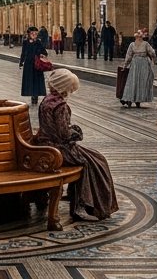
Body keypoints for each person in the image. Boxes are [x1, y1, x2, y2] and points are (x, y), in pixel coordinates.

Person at [36, 69, 117, 220]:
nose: (71, 92)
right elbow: (63, 134)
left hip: (46, 146)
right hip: (58, 150)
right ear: (64, 87)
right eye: (71, 88)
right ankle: (81, 204)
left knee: (94, 157)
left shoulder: (47, 100)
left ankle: (78, 197)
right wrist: (76, 132)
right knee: (92, 161)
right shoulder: (60, 106)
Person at [121, 27, 156, 108]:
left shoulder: (132, 45)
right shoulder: (146, 44)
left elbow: (128, 56)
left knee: (132, 81)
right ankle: (138, 100)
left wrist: (125, 65)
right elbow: (152, 52)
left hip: (135, 64)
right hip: (144, 64)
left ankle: (130, 99)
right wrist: (154, 59)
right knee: (142, 82)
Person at [18, 26, 48, 105]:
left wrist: (41, 54)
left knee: (37, 81)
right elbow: (23, 53)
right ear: (29, 34)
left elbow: (45, 52)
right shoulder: (25, 42)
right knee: (30, 81)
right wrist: (21, 63)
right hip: (28, 64)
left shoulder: (38, 42)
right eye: (32, 33)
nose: (34, 35)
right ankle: (32, 95)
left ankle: (35, 96)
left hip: (37, 64)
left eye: (35, 33)